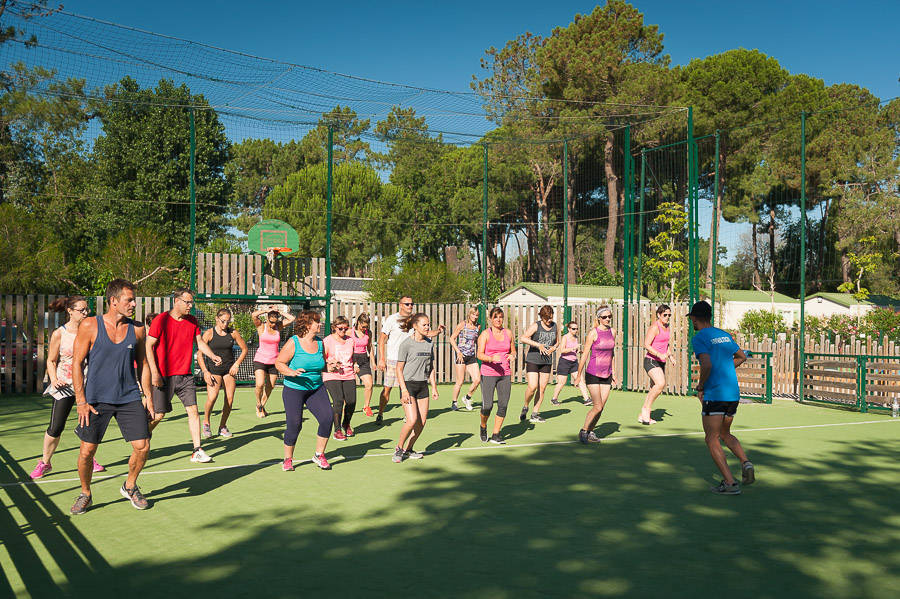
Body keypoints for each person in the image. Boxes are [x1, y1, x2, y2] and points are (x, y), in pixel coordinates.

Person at [69, 279, 151, 514]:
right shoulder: (89, 325)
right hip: (95, 399)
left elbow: (143, 364)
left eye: (134, 300)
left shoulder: (137, 329)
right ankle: (85, 493)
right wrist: (81, 401)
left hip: (129, 396)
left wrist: (148, 396)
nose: (134, 304)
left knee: (143, 446)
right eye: (129, 300)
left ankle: (130, 486)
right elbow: (77, 364)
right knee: (87, 451)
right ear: (113, 301)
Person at [30, 296, 105, 480]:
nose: (85, 313)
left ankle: (88, 459)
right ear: (70, 311)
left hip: (87, 385)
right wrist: (54, 379)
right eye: (82, 310)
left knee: (88, 425)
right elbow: (51, 360)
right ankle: (45, 463)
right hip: (65, 385)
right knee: (56, 427)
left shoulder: (91, 330)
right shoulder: (60, 333)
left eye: (87, 309)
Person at [146, 288, 221, 463]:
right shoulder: (160, 320)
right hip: (164, 376)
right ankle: (142, 436)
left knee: (193, 411)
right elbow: (149, 346)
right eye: (187, 302)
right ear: (176, 301)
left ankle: (197, 450)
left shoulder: (192, 320)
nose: (190, 306)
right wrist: (155, 372)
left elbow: (199, 342)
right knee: (158, 415)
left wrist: (212, 355)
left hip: (186, 376)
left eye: (191, 302)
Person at [688, 301, 754, 495]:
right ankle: (745, 462)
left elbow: (706, 364)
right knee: (725, 433)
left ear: (695, 318)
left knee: (711, 438)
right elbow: (741, 356)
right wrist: (724, 369)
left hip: (715, 394)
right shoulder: (724, 335)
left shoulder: (699, 338)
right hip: (732, 393)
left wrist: (701, 386)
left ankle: (730, 483)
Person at [274, 310, 336, 472]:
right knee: (294, 424)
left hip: (316, 388)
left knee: (327, 418)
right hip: (294, 389)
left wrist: (330, 367)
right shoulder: (294, 342)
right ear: (308, 325)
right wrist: (291, 372)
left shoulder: (320, 343)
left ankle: (319, 455)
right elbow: (279, 363)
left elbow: (320, 364)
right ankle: (288, 459)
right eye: (317, 322)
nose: (320, 324)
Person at [375, 295, 443, 425]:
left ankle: (409, 415)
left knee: (406, 388)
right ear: (400, 305)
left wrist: (438, 331)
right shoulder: (392, 319)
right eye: (407, 304)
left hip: (410, 361)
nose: (410, 306)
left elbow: (426, 333)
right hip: (394, 360)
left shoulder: (415, 320)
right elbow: (382, 340)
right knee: (387, 389)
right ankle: (380, 413)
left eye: (412, 304)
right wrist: (382, 359)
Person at [392, 313, 440, 462]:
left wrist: (434, 387)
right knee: (412, 420)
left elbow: (431, 367)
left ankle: (409, 449)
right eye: (424, 325)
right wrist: (404, 390)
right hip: (408, 385)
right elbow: (399, 369)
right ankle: (399, 448)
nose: (427, 327)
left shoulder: (429, 343)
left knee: (421, 422)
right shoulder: (406, 344)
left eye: (428, 324)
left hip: (422, 385)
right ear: (415, 326)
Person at [197, 308, 248, 439]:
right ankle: (206, 423)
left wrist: (236, 364)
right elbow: (200, 354)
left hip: (229, 370)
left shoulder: (233, 333)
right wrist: (205, 372)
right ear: (216, 319)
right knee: (212, 397)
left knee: (229, 399)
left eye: (228, 321)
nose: (225, 324)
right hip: (213, 371)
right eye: (223, 321)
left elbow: (244, 349)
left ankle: (222, 426)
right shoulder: (209, 333)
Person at [574, 306, 618, 444]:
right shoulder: (593, 333)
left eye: (609, 316)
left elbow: (612, 354)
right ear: (599, 318)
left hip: (607, 374)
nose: (607, 319)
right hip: (593, 373)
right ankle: (584, 431)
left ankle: (590, 432)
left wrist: (614, 372)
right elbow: (585, 355)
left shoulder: (613, 332)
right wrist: (578, 375)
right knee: (597, 406)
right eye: (604, 317)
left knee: (601, 407)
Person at [476, 307, 516, 444]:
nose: (498, 319)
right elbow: (479, 354)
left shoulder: (508, 333)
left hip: (505, 374)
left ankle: (495, 434)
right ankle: (483, 426)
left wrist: (512, 356)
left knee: (503, 405)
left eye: (500, 317)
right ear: (491, 319)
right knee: (487, 406)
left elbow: (513, 351)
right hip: (488, 373)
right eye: (495, 317)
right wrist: (491, 359)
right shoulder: (485, 335)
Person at [251, 306, 295, 418]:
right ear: (267, 318)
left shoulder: (278, 327)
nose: (272, 324)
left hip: (274, 361)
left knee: (270, 386)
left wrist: (279, 311)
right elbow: (254, 315)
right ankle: (258, 403)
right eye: (271, 322)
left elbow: (292, 319)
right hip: (260, 360)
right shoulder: (261, 326)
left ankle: (262, 406)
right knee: (260, 384)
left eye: (274, 321)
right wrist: (266, 310)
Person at [519, 305, 559, 423]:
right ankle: (526, 405)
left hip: (546, 361)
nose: (549, 320)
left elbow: (557, 342)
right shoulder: (536, 325)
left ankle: (535, 413)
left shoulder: (555, 326)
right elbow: (523, 338)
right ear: (542, 317)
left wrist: (554, 348)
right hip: (533, 360)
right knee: (532, 387)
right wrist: (538, 345)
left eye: (551, 317)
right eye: (547, 318)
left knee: (542, 388)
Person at [323, 315, 358, 441]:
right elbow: (322, 359)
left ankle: (346, 424)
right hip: (332, 375)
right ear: (334, 327)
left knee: (351, 401)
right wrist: (331, 364)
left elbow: (353, 357)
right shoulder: (327, 340)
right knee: (338, 400)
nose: (343, 331)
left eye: (345, 328)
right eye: (340, 328)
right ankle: (337, 430)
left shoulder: (350, 340)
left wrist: (355, 364)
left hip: (348, 374)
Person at [639, 304, 672, 425]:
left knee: (654, 388)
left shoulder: (667, 327)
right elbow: (646, 344)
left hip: (661, 362)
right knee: (660, 383)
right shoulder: (654, 327)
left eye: (669, 315)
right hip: (651, 360)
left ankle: (642, 415)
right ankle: (646, 410)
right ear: (659, 315)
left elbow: (666, 344)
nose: (667, 317)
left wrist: (670, 356)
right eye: (665, 315)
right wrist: (659, 354)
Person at [549, 321, 591, 406]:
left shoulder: (576, 337)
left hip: (574, 363)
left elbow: (574, 350)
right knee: (561, 383)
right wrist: (573, 348)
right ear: (569, 329)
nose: (575, 330)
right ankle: (554, 399)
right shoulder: (565, 337)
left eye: (577, 329)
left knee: (581, 380)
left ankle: (587, 399)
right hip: (564, 362)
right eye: (573, 329)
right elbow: (562, 350)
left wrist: (579, 351)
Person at [449, 307, 481, 411]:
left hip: (471, 356)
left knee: (477, 380)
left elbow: (476, 341)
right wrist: (458, 352)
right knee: (460, 381)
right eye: (473, 314)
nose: (475, 317)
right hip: (461, 356)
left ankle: (467, 398)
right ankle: (454, 402)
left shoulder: (478, 327)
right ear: (469, 314)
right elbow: (452, 338)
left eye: (477, 315)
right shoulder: (463, 324)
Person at [352, 313, 376, 418]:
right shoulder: (350, 332)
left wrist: (373, 362)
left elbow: (369, 347)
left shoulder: (368, 333)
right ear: (358, 322)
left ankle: (366, 407)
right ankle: (344, 406)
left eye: (366, 326)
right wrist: (353, 363)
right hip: (351, 359)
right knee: (349, 386)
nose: (364, 329)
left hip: (363, 360)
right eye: (363, 326)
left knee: (369, 384)